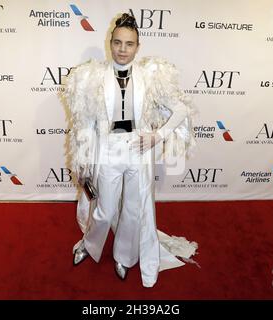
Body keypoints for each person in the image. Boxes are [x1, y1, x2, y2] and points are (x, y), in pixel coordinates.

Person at [63, 13, 197, 288]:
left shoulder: (151, 76)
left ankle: (124, 256)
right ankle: (90, 244)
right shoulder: (93, 78)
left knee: (134, 210)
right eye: (118, 43)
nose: (123, 50)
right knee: (104, 208)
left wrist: (157, 136)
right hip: (109, 149)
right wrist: (85, 161)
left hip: (139, 148)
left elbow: (181, 108)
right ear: (109, 43)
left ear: (138, 46)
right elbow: (85, 123)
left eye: (129, 44)